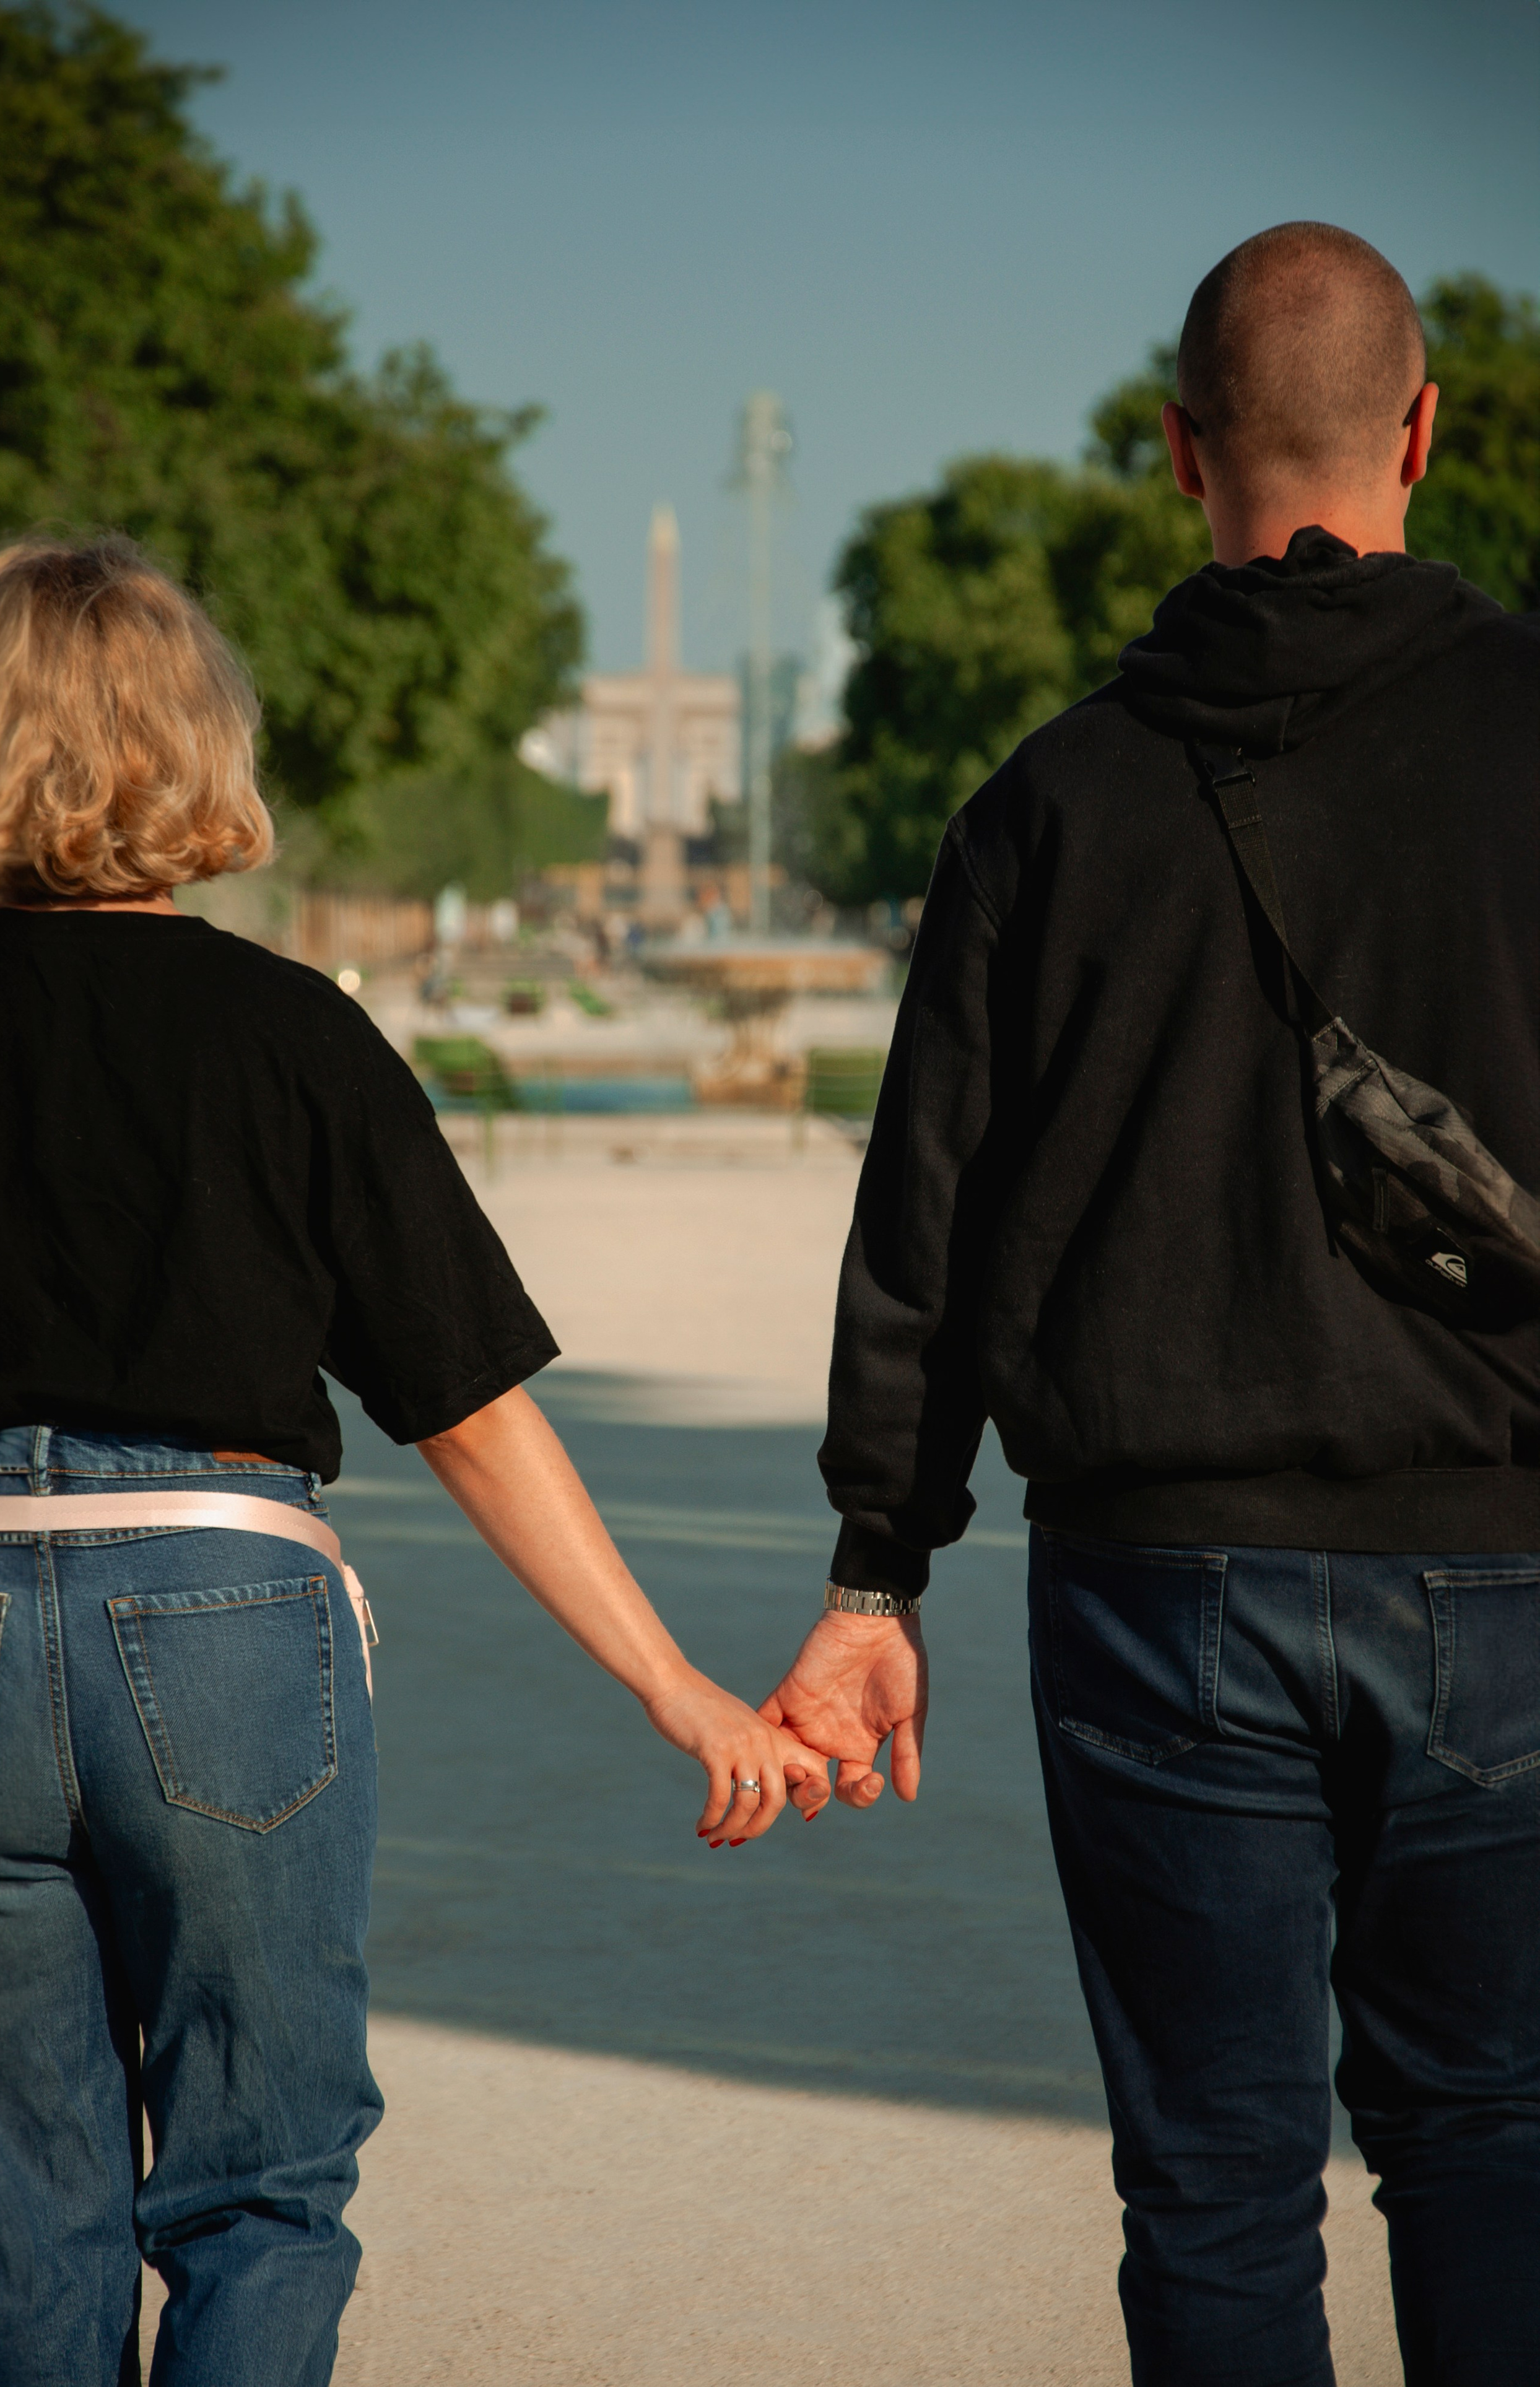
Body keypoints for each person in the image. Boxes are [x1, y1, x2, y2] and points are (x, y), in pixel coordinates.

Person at [759, 223, 1538, 2387]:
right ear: (1423, 430)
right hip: (1507, 1552)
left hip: (1156, 1582)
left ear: (1178, 444)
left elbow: (928, 1217)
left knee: (1212, 2179)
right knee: (1494, 2140)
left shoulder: (1051, 802)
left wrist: (872, 1572)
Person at [0, 536, 829, 2387]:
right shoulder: (296, 1040)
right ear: (203, 749)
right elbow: (468, 1407)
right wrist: (676, 1686)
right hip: (218, 1604)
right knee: (256, 2196)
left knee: (13, 2215)